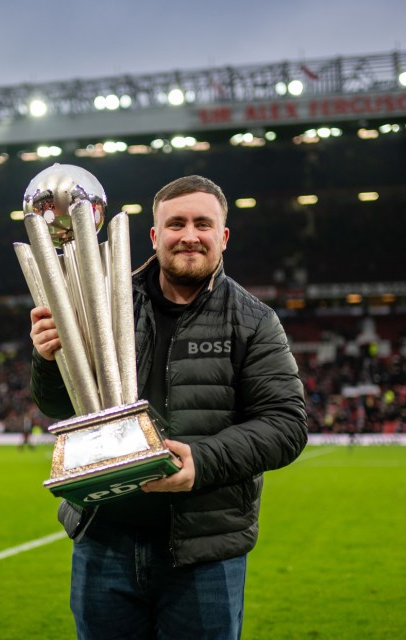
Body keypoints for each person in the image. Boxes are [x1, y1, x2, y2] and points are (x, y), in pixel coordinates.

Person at [29, 175, 308, 639]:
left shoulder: (255, 321)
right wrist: (45, 358)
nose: (190, 235)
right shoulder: (101, 301)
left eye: (203, 223)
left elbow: (285, 426)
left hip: (204, 552)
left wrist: (201, 462)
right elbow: (59, 405)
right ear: (155, 237)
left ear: (223, 236)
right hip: (105, 541)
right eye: (175, 224)